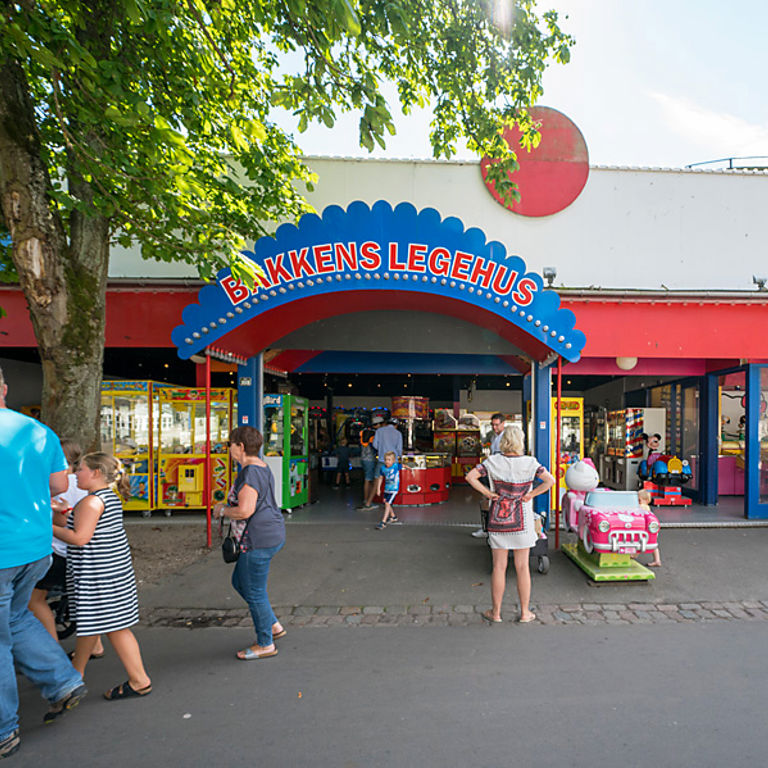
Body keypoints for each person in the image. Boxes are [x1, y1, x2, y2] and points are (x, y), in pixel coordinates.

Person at [0, 367, 87, 758]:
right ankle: (62, 681)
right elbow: (58, 484)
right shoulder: (38, 431)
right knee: (16, 618)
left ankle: (4, 729)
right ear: (4, 388)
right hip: (36, 547)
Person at [53, 452, 151, 701]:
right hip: (110, 572)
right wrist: (62, 514)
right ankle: (75, 674)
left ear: (96, 473)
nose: (76, 473)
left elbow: (79, 537)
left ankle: (139, 680)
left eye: (81, 469)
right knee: (94, 623)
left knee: (114, 628)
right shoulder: (107, 498)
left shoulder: (91, 502)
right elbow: (82, 529)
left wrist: (44, 527)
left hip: (98, 576)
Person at [466, 425, 555, 625]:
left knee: (499, 567)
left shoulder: (492, 462)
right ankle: (525, 612)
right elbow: (550, 481)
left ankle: (496, 613)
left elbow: (470, 477)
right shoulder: (530, 463)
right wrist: (531, 494)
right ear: (520, 442)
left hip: (498, 520)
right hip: (523, 522)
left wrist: (488, 493)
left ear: (504, 441)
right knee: (522, 567)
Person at [27, 440, 106, 658]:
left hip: (60, 552)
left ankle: (53, 650)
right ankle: (96, 645)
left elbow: (58, 521)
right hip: (87, 554)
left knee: (34, 599)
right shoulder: (87, 486)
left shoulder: (55, 486)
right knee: (85, 600)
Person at [214, 426, 286, 660]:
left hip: (257, 539)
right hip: (268, 534)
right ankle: (272, 624)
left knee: (254, 592)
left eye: (230, 444)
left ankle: (265, 643)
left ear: (241, 446)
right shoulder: (260, 467)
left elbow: (245, 510)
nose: (229, 448)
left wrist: (222, 510)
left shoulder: (250, 473)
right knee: (239, 581)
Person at [471, 412, 506, 538]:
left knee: (496, 502)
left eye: (497, 425)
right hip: (493, 473)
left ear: (503, 423)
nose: (494, 427)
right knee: (487, 500)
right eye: (492, 425)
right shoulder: (493, 437)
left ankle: (494, 529)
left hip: (502, 476)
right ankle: (487, 528)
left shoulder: (506, 438)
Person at [374, 451, 401, 530]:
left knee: (387, 503)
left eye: (389, 460)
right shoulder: (383, 468)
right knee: (386, 502)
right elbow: (380, 478)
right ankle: (393, 516)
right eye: (386, 460)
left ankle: (383, 522)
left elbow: (404, 466)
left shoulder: (396, 466)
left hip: (394, 489)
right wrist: (378, 489)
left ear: (393, 460)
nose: (387, 461)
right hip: (387, 489)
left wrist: (410, 469)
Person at [638, 489, 662, 567]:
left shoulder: (642, 506)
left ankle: (633, 555)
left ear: (644, 500)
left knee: (639, 541)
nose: (637, 502)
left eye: (639, 500)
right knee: (653, 545)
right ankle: (657, 560)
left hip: (646, 529)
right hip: (650, 529)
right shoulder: (647, 507)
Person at [356, 428, 378, 511]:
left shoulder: (362, 441)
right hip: (370, 460)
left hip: (363, 460)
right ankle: (367, 500)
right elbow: (376, 448)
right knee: (368, 479)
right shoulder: (371, 442)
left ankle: (367, 499)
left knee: (367, 479)